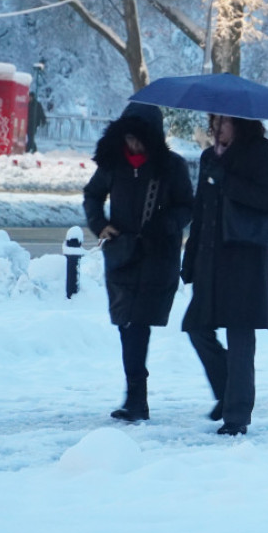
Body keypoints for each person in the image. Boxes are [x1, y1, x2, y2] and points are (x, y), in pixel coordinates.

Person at [83, 103, 193, 422]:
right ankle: (135, 398)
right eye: (129, 138)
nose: (133, 145)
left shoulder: (172, 167)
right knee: (126, 325)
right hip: (121, 255)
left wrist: (167, 224)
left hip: (158, 258)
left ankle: (136, 399)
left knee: (138, 325)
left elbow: (187, 206)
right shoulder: (113, 164)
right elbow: (92, 195)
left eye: (139, 139)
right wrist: (98, 224)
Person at [181, 114, 268, 436]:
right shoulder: (208, 157)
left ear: (241, 123)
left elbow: (264, 198)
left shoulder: (260, 151)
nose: (217, 128)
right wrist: (190, 258)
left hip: (244, 261)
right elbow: (201, 210)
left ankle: (237, 415)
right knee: (196, 327)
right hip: (210, 260)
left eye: (224, 122)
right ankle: (229, 390)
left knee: (240, 338)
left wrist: (225, 178)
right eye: (214, 121)